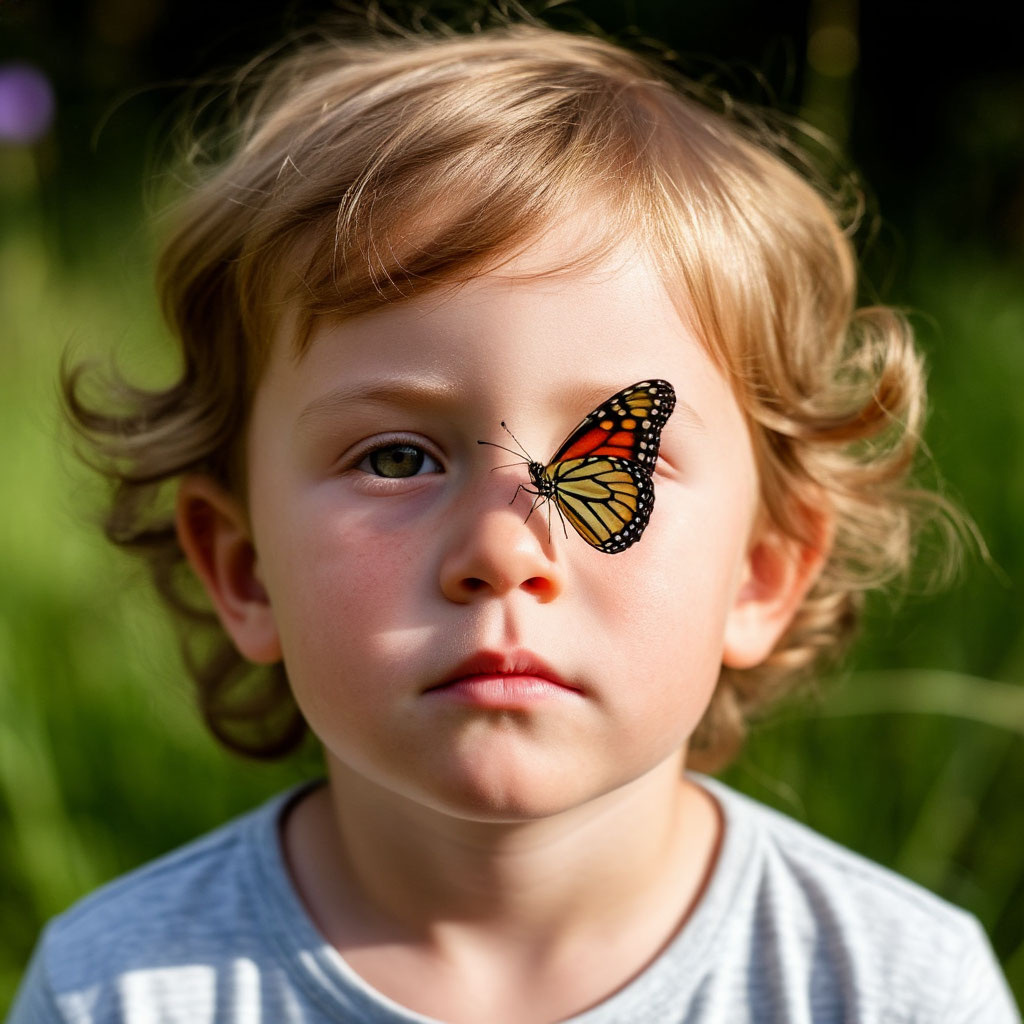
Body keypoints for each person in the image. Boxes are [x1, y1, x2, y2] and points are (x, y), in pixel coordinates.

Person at [8, 21, 1019, 1024]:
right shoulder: (127, 986)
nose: (502, 550)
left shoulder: (891, 988)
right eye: (396, 458)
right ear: (245, 571)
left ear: (760, 573)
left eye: (618, 453)